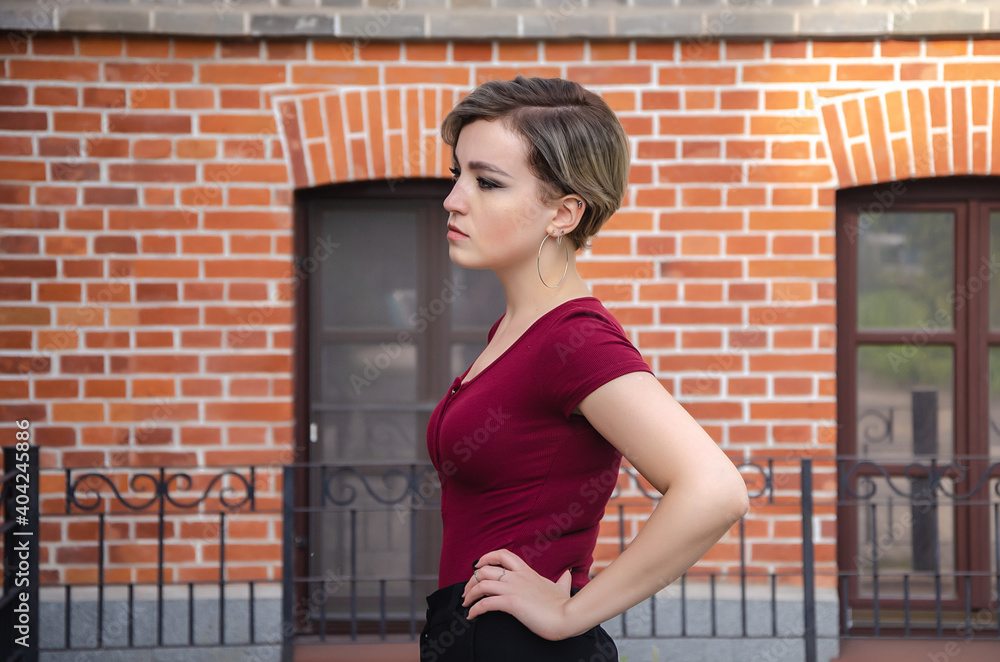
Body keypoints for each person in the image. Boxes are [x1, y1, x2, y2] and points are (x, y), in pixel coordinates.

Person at [421, 75, 749, 662]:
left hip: (516, 644)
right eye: (457, 174)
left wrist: (570, 611)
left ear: (564, 212)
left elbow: (715, 490)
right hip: (475, 632)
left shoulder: (573, 341)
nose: (453, 198)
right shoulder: (513, 333)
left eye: (487, 182)